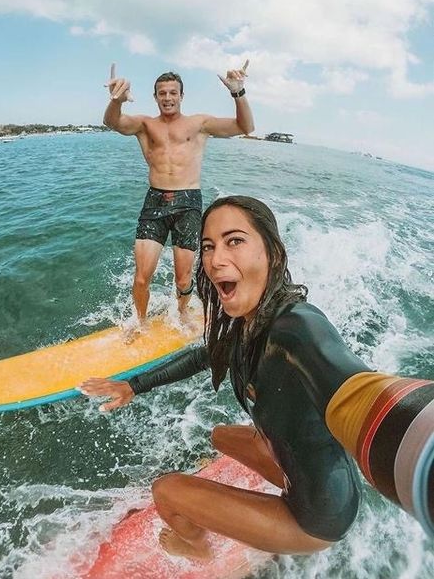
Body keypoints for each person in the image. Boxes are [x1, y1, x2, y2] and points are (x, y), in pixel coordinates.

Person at [80, 196, 434, 558]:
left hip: (316, 516)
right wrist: (132, 385)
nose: (216, 260)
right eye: (208, 246)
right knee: (219, 436)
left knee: (166, 490)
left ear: (272, 254)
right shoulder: (249, 326)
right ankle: (282, 475)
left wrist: (423, 448)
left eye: (235, 241)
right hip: (312, 472)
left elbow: (359, 389)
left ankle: (199, 547)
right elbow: (204, 357)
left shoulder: (296, 326)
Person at [103, 61, 255, 321]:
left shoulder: (199, 124)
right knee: (141, 278)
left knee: (183, 279)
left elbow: (245, 127)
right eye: (162, 93)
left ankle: (183, 313)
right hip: (155, 201)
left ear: (181, 96)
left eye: (173, 93)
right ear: (155, 97)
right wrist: (117, 99)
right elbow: (112, 122)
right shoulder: (144, 125)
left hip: (188, 203)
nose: (168, 98)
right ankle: (140, 323)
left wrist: (238, 92)